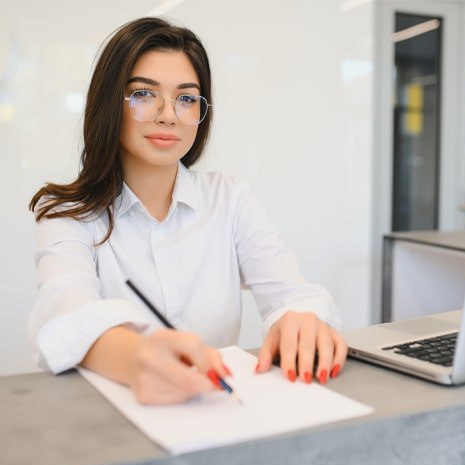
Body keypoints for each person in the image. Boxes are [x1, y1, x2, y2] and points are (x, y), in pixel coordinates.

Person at [28, 17, 346, 405]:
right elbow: (61, 310)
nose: (168, 114)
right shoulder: (68, 213)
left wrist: (301, 318)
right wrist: (135, 357)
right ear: (111, 103)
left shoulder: (229, 198)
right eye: (144, 95)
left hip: (219, 413)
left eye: (186, 98)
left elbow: (293, 295)